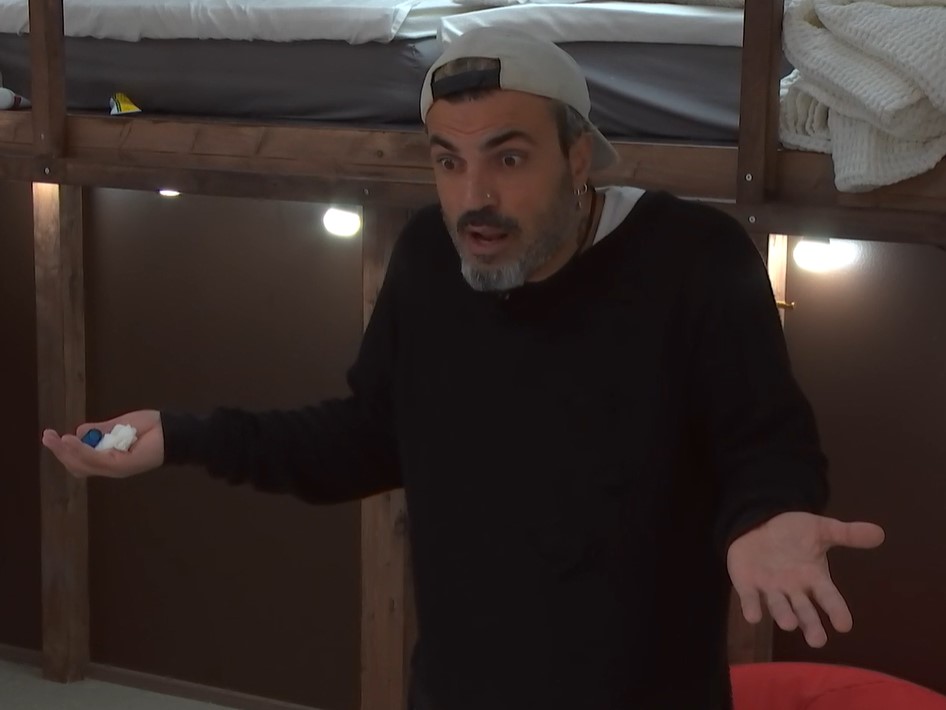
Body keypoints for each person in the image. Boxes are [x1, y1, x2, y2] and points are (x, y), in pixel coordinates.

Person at [42, 28, 885, 710]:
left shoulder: (696, 260)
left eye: (508, 159)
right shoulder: (425, 257)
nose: (473, 196)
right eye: (448, 161)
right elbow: (366, 437)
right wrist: (183, 435)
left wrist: (768, 514)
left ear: (579, 158)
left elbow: (766, 443)